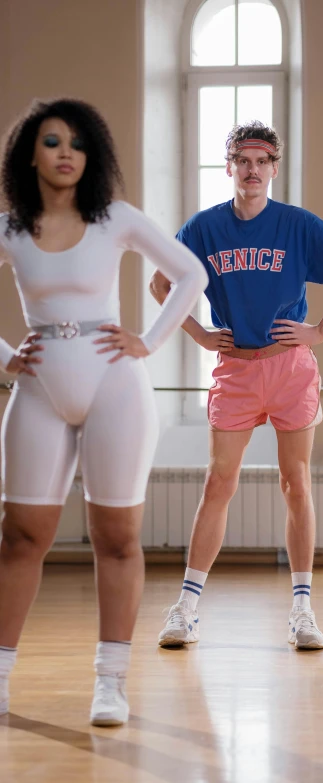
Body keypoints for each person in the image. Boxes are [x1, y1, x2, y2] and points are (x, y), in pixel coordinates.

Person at [0, 98, 207, 726]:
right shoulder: (11, 229)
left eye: (78, 143)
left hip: (116, 386)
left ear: (92, 156)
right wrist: (7, 357)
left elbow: (191, 275)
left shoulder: (115, 218)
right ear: (29, 155)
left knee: (116, 538)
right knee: (19, 538)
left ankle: (111, 682)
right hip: (38, 388)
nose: (66, 153)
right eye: (52, 141)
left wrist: (148, 339)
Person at [151, 121, 323, 651]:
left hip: (290, 367)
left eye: (262, 161)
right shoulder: (204, 229)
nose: (252, 170)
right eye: (242, 161)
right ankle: (185, 608)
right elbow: (161, 282)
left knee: (295, 482)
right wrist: (201, 334)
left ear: (274, 168)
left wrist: (320, 329)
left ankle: (302, 610)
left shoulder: (295, 224)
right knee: (218, 484)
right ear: (229, 167)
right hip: (237, 369)